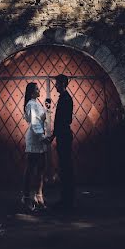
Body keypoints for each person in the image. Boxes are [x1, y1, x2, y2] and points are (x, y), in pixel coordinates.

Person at [21, 81, 48, 211]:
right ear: (32, 92)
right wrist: (43, 138)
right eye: (37, 89)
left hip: (41, 137)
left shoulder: (37, 103)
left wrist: (46, 112)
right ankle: (26, 197)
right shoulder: (31, 104)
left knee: (41, 169)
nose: (39, 90)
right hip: (35, 138)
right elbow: (34, 122)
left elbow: (41, 119)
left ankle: (38, 195)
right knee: (31, 169)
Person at [51, 73, 75, 211]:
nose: (55, 86)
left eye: (57, 84)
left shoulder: (65, 99)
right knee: (65, 167)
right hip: (63, 134)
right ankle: (66, 199)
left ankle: (67, 201)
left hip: (64, 135)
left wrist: (55, 134)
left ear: (62, 84)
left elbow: (64, 120)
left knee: (66, 167)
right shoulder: (65, 98)